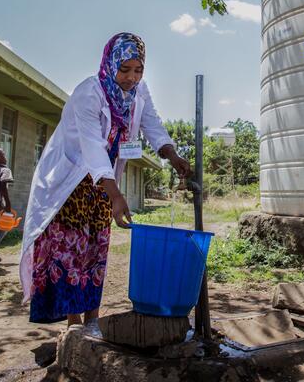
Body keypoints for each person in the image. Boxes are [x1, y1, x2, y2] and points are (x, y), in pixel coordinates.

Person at [20, 32, 190, 336]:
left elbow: (152, 124)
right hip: (71, 182)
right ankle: (74, 326)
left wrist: (173, 156)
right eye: (124, 69)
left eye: (138, 70)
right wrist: (116, 196)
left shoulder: (138, 92)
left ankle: (94, 319)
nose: (130, 77)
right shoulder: (89, 93)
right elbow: (92, 148)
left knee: (97, 248)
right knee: (73, 250)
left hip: (104, 183)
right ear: (110, 63)